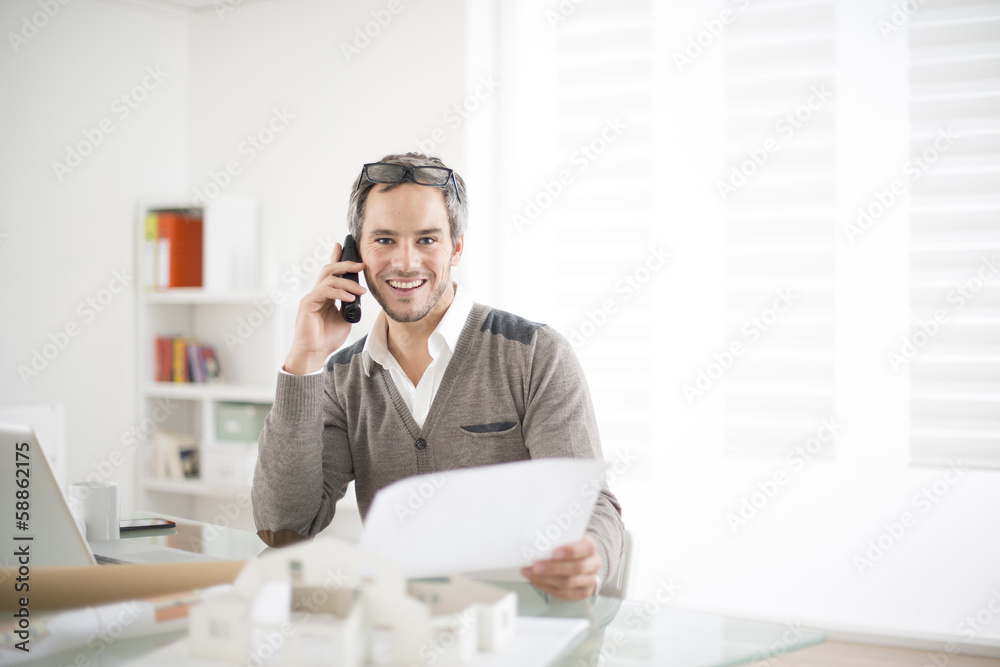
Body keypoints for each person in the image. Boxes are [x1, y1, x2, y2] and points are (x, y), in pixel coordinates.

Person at [252, 152, 624, 600]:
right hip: (400, 630)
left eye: (427, 239)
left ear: (457, 247)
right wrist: (305, 358)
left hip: (519, 627)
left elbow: (591, 504)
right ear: (354, 254)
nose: (405, 263)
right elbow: (284, 527)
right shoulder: (342, 377)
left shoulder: (535, 355)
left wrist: (591, 555)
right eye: (384, 240)